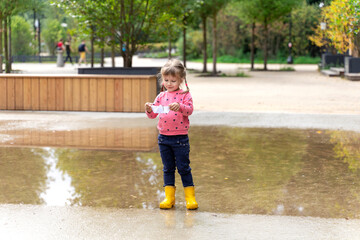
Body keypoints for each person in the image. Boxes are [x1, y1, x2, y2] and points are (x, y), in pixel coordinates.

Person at [145, 59, 198, 210]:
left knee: (183, 168)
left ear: (181, 80)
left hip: (180, 139)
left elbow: (190, 110)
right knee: (168, 168)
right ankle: (169, 197)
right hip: (163, 138)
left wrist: (180, 107)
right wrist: (149, 109)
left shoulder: (184, 95)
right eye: (166, 80)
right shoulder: (161, 97)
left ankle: (190, 198)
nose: (169, 83)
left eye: (173, 81)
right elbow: (153, 114)